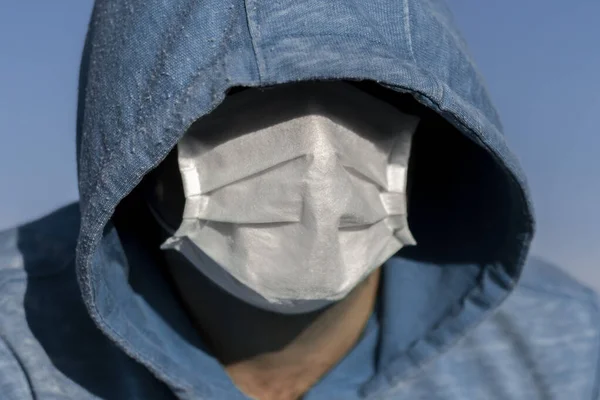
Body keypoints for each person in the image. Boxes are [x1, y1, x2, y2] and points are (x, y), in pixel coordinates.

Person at [0, 0, 598, 399]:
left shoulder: (565, 355)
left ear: (431, 117)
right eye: (239, 94)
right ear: (138, 138)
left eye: (361, 84)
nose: (316, 158)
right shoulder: (19, 351)